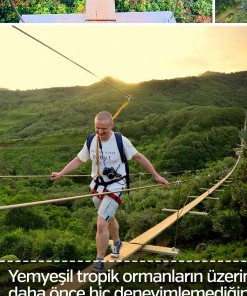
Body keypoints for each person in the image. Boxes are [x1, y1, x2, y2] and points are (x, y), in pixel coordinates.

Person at [51, 111, 169, 271]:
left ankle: (99, 259)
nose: (100, 132)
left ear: (112, 126)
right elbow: (79, 159)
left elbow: (139, 158)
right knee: (108, 217)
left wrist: (156, 176)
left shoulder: (121, 141)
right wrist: (61, 173)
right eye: (97, 128)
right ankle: (118, 242)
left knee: (101, 223)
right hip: (97, 186)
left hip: (116, 185)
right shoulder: (91, 140)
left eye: (104, 129)